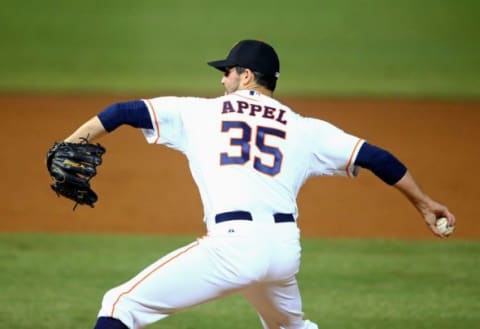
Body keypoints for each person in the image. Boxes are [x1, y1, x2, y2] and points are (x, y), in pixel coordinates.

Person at [61, 39, 456, 329]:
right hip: (284, 252)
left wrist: (72, 142)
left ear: (246, 75)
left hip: (232, 248)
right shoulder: (304, 127)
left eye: (227, 73)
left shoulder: (199, 112)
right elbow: (378, 158)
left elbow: (122, 112)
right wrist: (423, 203)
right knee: (289, 328)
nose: (222, 82)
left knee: (118, 306)